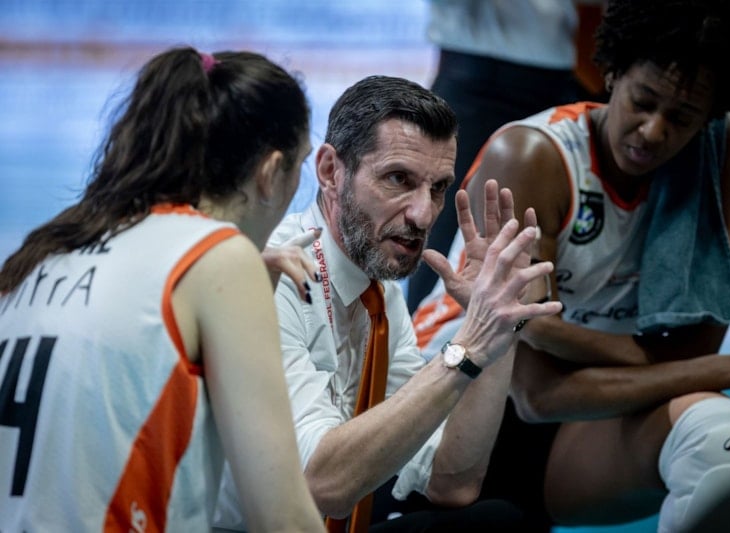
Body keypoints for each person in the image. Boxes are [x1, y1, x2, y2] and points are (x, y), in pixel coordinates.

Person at [412, 1, 730, 532]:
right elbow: (537, 394)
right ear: (611, 73)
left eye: (682, 117)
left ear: (710, 116)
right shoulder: (530, 155)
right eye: (643, 102)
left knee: (717, 434)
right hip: (448, 412)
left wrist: (570, 339)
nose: (653, 131)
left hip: (583, 421)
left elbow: (695, 350)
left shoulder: (721, 151)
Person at [212, 74, 562, 532]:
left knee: (500, 521)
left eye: (437, 188)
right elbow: (321, 484)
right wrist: (468, 347)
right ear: (330, 171)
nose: (422, 214)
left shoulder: (380, 295)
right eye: (399, 179)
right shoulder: (273, 274)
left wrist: (499, 329)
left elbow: (451, 482)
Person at [0, 47, 325, 532]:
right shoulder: (219, 257)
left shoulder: (45, 249)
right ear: (270, 173)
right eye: (301, 167)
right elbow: (285, 519)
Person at [405, 0, 606, 313]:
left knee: (556, 237)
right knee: (445, 233)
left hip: (564, 75)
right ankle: (416, 341)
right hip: (479, 73)